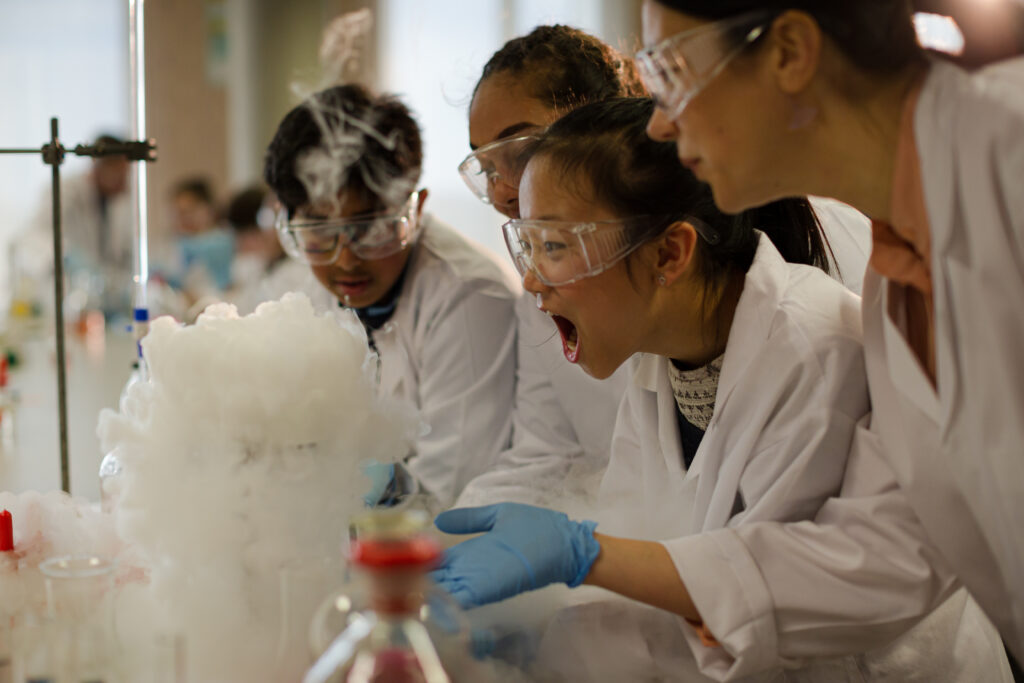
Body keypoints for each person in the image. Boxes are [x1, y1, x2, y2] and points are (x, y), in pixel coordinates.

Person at [430, 97, 1011, 681]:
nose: (531, 281)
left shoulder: (811, 350)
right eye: (527, 246)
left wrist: (578, 573)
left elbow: (761, 620)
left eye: (553, 246)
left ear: (669, 253)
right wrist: (539, 636)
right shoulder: (659, 360)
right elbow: (652, 570)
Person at [629, 0, 1024, 674]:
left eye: (671, 71)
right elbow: (896, 543)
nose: (661, 122)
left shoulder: (1009, 154)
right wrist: (592, 558)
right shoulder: (895, 285)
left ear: (788, 50)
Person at [264, 83, 519, 508]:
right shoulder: (301, 286)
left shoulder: (469, 295)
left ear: (415, 208)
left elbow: (450, 490)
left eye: (372, 228)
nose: (346, 260)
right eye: (320, 231)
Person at [453, 26, 643, 507]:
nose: (500, 191)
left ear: (598, 123)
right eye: (488, 170)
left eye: (517, 153)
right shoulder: (538, 291)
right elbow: (546, 451)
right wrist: (453, 528)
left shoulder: (675, 263)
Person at [18, 134, 133, 317]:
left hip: (105, 302)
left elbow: (124, 253)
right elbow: (37, 237)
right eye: (119, 173)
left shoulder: (119, 202)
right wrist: (68, 255)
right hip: (68, 296)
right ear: (99, 165)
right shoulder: (64, 191)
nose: (125, 182)